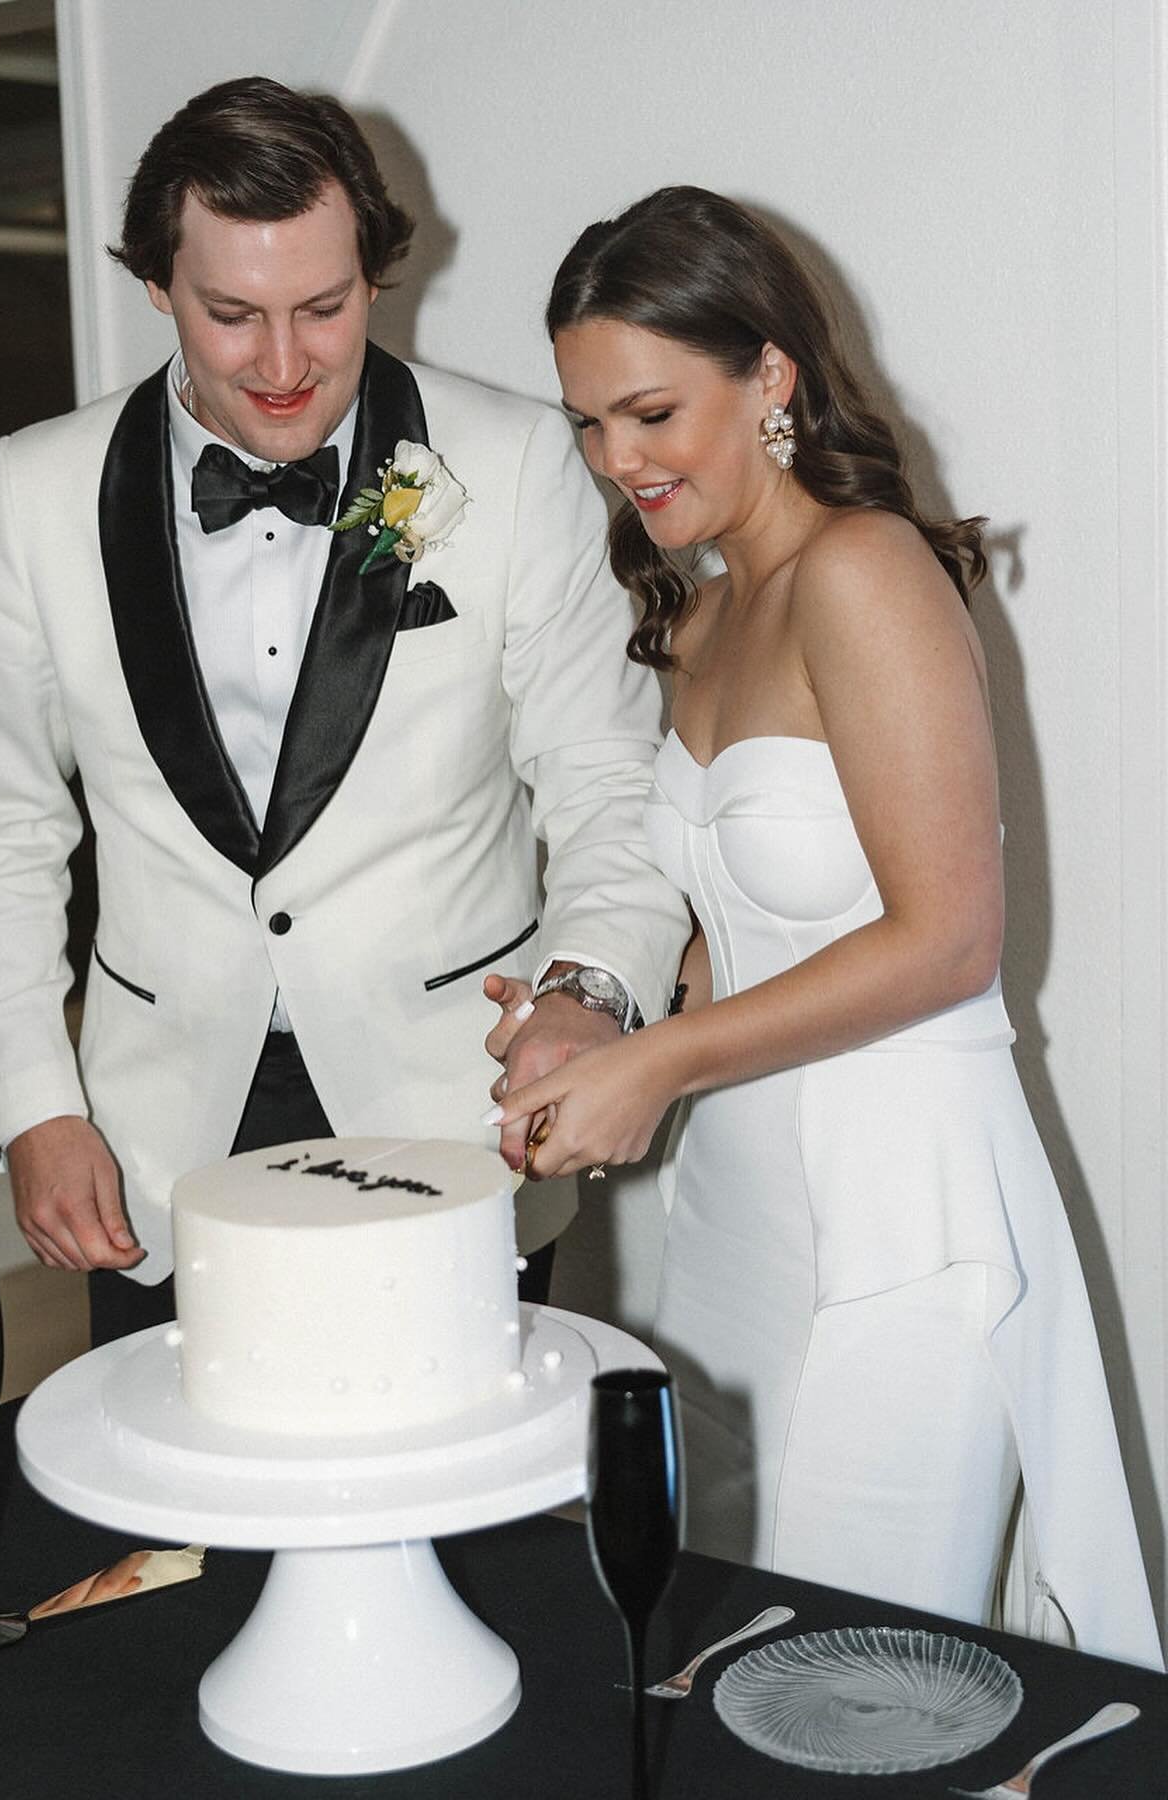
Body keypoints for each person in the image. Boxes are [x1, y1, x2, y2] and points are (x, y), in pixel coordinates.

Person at [488, 186, 1162, 1666]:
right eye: (589, 422)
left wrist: (660, 1068)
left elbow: (946, 941)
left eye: (652, 411)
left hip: (898, 1203)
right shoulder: (707, 610)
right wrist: (595, 1019)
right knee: (736, 1646)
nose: (619, 461)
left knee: (861, 1676)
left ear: (771, 375)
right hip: (738, 1206)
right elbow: (741, 936)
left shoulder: (868, 571)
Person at [0, 77, 687, 1346]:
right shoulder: (35, 488)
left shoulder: (516, 462)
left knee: (453, 1526)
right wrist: (32, 1101)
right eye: (233, 314)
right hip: (154, 1140)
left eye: (323, 309)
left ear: (375, 279)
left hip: (457, 1110)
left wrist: (590, 991)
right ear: (158, 287)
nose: (283, 365)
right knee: (185, 1531)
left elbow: (608, 781)